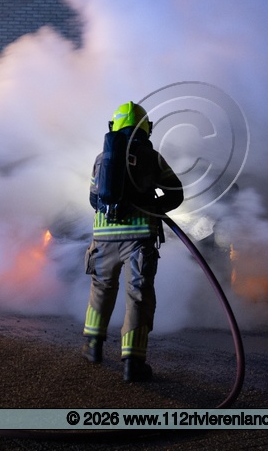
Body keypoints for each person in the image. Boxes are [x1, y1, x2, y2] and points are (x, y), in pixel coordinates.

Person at [82, 101, 184, 382]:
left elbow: (93, 198)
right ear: (145, 128)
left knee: (101, 289)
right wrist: (152, 206)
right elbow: (176, 193)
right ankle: (133, 363)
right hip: (139, 240)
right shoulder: (152, 157)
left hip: (103, 240)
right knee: (138, 295)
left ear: (114, 126)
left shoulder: (101, 158)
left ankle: (93, 347)